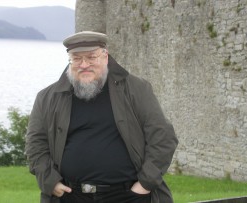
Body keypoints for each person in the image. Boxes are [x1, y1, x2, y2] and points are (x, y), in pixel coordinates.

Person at [25, 31, 178, 203]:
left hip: (128, 196)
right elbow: (35, 144)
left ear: (105, 57)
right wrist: (50, 181)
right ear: (70, 60)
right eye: (76, 58)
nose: (84, 64)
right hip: (70, 196)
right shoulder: (47, 97)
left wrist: (145, 183)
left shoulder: (136, 89)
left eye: (91, 57)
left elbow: (163, 137)